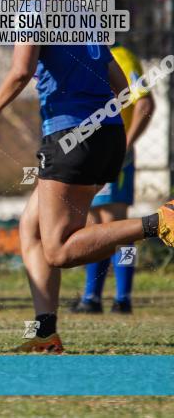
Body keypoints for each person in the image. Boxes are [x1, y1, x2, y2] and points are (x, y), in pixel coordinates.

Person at [0, 0, 174, 353]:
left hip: (71, 137)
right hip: (105, 134)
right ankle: (45, 332)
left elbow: (19, 72)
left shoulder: (33, 12)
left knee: (60, 250)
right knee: (29, 228)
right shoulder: (85, 16)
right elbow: (122, 87)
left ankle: (159, 222)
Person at [71, 43, 154, 314]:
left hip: (115, 153)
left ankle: (122, 297)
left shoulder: (122, 56)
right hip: (88, 154)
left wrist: (126, 146)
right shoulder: (80, 52)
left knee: (117, 227)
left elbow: (144, 103)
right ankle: (91, 297)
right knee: (92, 225)